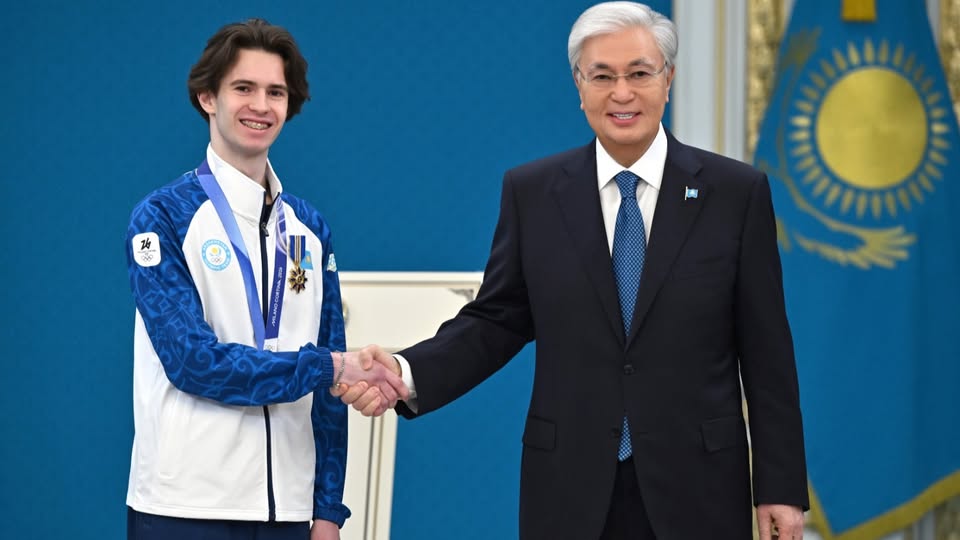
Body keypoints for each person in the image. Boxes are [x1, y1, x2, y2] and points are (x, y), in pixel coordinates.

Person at [337, 2, 808, 539]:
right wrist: (406, 372)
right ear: (579, 87)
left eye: (639, 73)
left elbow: (768, 353)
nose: (622, 93)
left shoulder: (735, 194)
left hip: (698, 489)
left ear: (668, 80)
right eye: (602, 76)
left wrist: (781, 486)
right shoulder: (534, 194)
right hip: (569, 489)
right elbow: (496, 320)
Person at [124, 19, 406, 540]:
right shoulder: (162, 217)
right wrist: (330, 365)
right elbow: (192, 362)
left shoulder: (309, 229)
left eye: (275, 92)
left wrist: (328, 510)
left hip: (289, 514)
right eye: (243, 88)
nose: (261, 105)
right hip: (186, 508)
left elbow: (330, 380)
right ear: (208, 97)